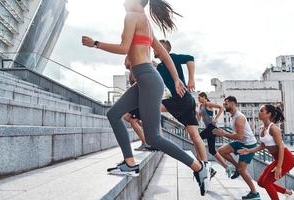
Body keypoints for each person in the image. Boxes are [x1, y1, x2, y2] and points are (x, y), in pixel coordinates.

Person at [82, 0, 209, 195]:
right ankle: (130, 162)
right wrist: (175, 79)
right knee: (114, 114)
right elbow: (163, 55)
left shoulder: (132, 16)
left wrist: (95, 44)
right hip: (146, 79)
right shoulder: (146, 22)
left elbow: (124, 48)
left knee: (154, 138)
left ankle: (199, 168)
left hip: (148, 79)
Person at [152, 39, 215, 177]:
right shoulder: (160, 67)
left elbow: (190, 59)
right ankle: (206, 166)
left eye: (157, 46)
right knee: (194, 136)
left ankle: (156, 139)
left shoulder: (172, 57)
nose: (154, 48)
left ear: (165, 49)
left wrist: (191, 79)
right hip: (184, 101)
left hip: (182, 100)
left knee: (152, 108)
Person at [238, 105, 294, 200]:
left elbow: (281, 147)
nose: (259, 112)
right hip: (278, 159)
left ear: (268, 114)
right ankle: (289, 193)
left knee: (266, 182)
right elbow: (262, 146)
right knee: (261, 182)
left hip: (287, 159)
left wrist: (278, 166)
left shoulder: (273, 128)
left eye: (262, 111)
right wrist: (249, 150)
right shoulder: (262, 128)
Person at [213, 96, 260, 199]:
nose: (224, 106)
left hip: (248, 145)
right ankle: (236, 168)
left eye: (226, 104)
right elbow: (238, 135)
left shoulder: (239, 117)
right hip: (240, 142)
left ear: (233, 103)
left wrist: (223, 134)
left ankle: (255, 193)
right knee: (221, 151)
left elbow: (240, 136)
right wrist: (221, 132)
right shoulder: (233, 116)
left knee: (243, 170)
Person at [123, 57, 150, 151]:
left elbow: (140, 85)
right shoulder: (132, 71)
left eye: (125, 61)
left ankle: (145, 142)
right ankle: (147, 139)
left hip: (140, 100)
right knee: (134, 120)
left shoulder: (135, 70)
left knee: (129, 118)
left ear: (130, 61)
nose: (124, 64)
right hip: (137, 100)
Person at [197, 92, 227, 173]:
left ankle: (202, 164)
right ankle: (227, 166)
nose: (198, 99)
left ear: (204, 97)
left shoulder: (208, 104)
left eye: (199, 97)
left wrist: (216, 118)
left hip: (212, 127)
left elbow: (221, 108)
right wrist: (196, 113)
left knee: (197, 139)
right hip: (209, 128)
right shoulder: (201, 106)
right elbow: (199, 118)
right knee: (212, 150)